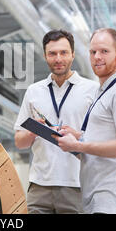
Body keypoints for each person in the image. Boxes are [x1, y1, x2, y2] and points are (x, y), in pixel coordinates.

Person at [53, 28, 116, 214]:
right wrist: (77, 137)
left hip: (114, 197)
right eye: (93, 52)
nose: (97, 57)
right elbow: (104, 137)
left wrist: (80, 145)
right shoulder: (102, 93)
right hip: (99, 196)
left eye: (104, 51)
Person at [14, 29, 98, 214]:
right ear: (45, 56)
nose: (58, 59)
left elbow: (103, 139)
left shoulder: (92, 90)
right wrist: (34, 130)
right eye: (52, 53)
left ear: (73, 55)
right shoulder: (34, 91)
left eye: (63, 53)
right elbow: (19, 142)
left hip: (77, 184)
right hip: (39, 186)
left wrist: (78, 136)